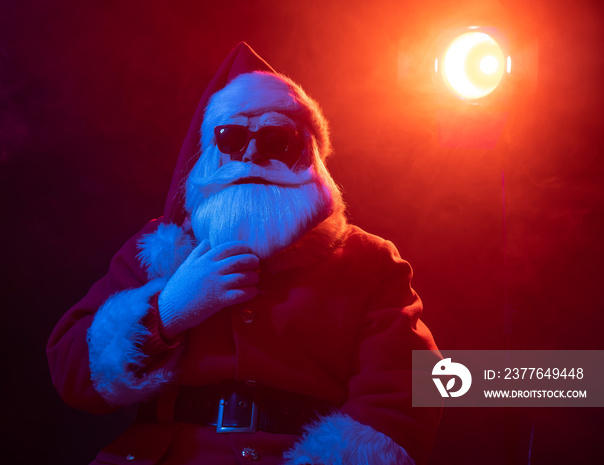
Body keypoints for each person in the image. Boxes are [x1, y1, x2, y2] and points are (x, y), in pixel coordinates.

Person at [47, 42, 441, 465]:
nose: (251, 153)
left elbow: (408, 394)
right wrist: (165, 314)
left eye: (275, 138)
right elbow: (72, 375)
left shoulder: (369, 261)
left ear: (309, 156)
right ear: (211, 154)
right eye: (231, 138)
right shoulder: (161, 247)